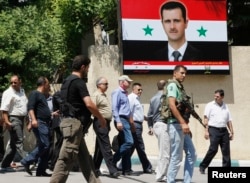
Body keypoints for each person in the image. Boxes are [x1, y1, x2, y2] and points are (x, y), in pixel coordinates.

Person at [50, 55, 106, 183]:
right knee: (66, 158)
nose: (87, 70)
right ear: (83, 67)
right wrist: (101, 118)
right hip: (74, 125)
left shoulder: (66, 82)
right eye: (87, 68)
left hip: (71, 125)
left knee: (85, 160)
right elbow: (89, 104)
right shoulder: (78, 82)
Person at [166, 65, 196, 183]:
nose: (184, 75)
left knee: (192, 154)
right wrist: (183, 123)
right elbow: (172, 105)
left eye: (185, 73)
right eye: (182, 73)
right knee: (176, 157)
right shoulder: (173, 85)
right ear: (175, 73)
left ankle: (187, 181)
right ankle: (170, 181)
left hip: (181, 125)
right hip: (175, 125)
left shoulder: (180, 87)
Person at [20, 76, 52, 176]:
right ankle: (26, 160)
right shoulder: (35, 93)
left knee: (45, 146)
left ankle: (41, 170)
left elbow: (41, 110)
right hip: (39, 122)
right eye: (48, 83)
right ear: (44, 84)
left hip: (45, 122)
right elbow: (30, 108)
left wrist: (51, 114)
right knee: (45, 144)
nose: (49, 85)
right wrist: (33, 120)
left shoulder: (42, 95)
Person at [199, 89, 234, 174]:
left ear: (222, 97)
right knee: (213, 149)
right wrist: (206, 131)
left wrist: (232, 132)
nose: (215, 97)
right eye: (215, 96)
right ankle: (203, 166)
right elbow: (206, 118)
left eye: (217, 96)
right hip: (213, 129)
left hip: (224, 130)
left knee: (226, 151)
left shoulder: (225, 106)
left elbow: (229, 120)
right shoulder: (210, 105)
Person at [91, 77, 119, 178]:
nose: (107, 86)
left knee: (100, 147)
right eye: (105, 84)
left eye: (107, 84)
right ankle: (112, 170)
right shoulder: (96, 95)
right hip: (100, 122)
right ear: (99, 85)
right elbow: (92, 108)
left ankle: (95, 168)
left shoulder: (103, 95)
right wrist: (100, 118)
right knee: (106, 146)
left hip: (105, 123)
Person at [0, 75, 28, 172]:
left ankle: (4, 164)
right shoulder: (8, 93)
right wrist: (7, 121)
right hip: (13, 118)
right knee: (19, 141)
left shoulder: (22, 91)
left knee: (13, 144)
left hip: (21, 119)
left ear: (20, 82)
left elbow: (25, 106)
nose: (13, 84)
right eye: (11, 82)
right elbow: (4, 109)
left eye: (15, 82)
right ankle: (29, 160)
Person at [111, 75, 135, 175]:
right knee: (129, 142)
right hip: (121, 119)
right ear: (122, 82)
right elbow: (114, 108)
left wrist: (130, 122)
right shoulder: (117, 92)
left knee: (126, 143)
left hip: (125, 119)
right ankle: (113, 160)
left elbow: (127, 110)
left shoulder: (125, 93)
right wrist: (118, 121)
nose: (129, 83)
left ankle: (126, 169)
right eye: (127, 81)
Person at [147, 80, 170, 182]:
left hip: (156, 126)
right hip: (163, 125)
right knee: (164, 152)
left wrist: (150, 127)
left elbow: (149, 115)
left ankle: (159, 170)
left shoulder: (153, 98)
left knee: (163, 150)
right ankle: (161, 176)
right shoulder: (165, 98)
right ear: (165, 86)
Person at [127, 83, 153, 173]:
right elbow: (129, 112)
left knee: (132, 146)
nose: (140, 91)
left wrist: (146, 118)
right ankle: (147, 167)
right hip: (134, 125)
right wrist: (132, 125)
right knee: (140, 146)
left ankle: (121, 164)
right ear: (133, 89)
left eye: (141, 90)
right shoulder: (131, 98)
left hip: (138, 124)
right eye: (138, 90)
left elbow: (138, 114)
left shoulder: (137, 99)